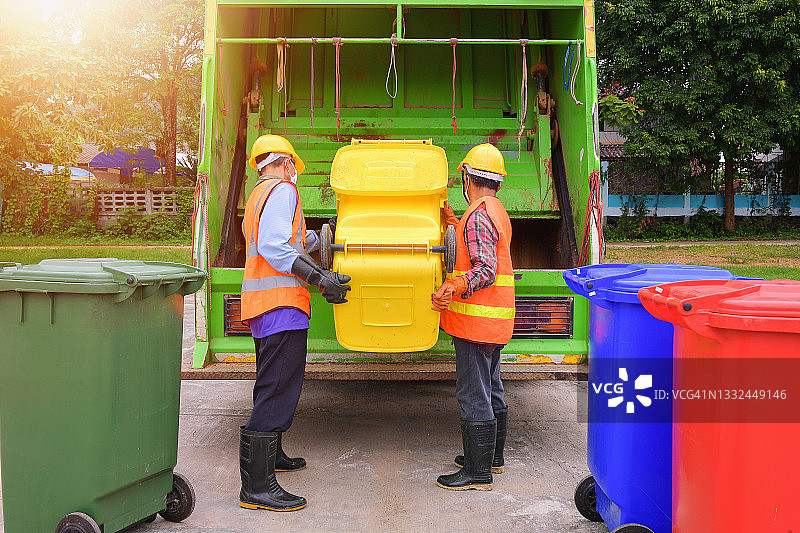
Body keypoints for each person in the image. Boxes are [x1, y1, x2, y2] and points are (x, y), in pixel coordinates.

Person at [239, 134, 351, 511]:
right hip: (281, 307)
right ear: (285, 162)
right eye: (294, 166)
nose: (295, 172)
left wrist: (319, 237)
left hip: (264, 307)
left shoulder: (257, 195)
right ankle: (257, 488)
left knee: (271, 384)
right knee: (278, 388)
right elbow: (274, 246)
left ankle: (274, 456)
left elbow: (283, 239)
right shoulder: (284, 188)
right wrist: (319, 278)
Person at [432, 143, 515, 491]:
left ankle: (477, 474)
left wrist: (456, 285)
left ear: (468, 176)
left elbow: (485, 269)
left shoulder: (479, 215)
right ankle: (490, 459)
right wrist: (453, 220)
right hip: (493, 322)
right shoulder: (492, 210)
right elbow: (478, 246)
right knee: (490, 387)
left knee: (473, 395)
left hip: (475, 323)